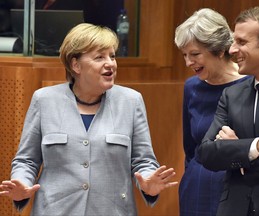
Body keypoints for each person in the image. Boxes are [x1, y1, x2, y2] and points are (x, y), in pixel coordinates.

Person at [0, 23, 178, 216]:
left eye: (112, 56)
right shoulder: (44, 100)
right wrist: (22, 184)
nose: (110, 63)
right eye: (99, 57)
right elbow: (27, 160)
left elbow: (143, 160)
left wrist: (149, 183)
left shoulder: (131, 101)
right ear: (75, 65)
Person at [198, 6, 259, 216]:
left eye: (242, 42)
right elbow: (207, 153)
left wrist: (238, 155)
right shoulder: (232, 95)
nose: (231, 50)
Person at [174, 8, 249, 216]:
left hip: (239, 189)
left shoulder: (251, 85)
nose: (188, 62)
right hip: (196, 189)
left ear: (219, 50)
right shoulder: (191, 87)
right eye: (185, 55)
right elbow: (190, 148)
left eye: (195, 54)